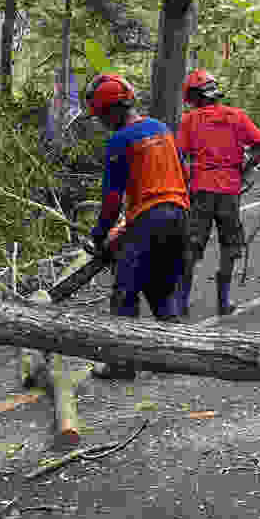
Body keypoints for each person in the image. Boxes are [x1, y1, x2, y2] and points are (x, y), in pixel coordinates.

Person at [84, 73, 192, 377]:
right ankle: (180, 354)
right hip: (180, 215)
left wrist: (100, 235)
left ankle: (122, 363)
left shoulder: (120, 141)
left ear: (111, 111)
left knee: (125, 290)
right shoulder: (162, 129)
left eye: (102, 116)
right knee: (159, 289)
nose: (102, 122)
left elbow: (112, 200)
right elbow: (185, 174)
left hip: (150, 218)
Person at [176, 69, 260, 318]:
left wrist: (187, 178)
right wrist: (244, 170)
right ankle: (223, 302)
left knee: (192, 246)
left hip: (201, 190)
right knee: (229, 244)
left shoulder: (189, 120)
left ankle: (181, 303)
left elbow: (179, 155)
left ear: (195, 96)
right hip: (229, 190)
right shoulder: (236, 116)